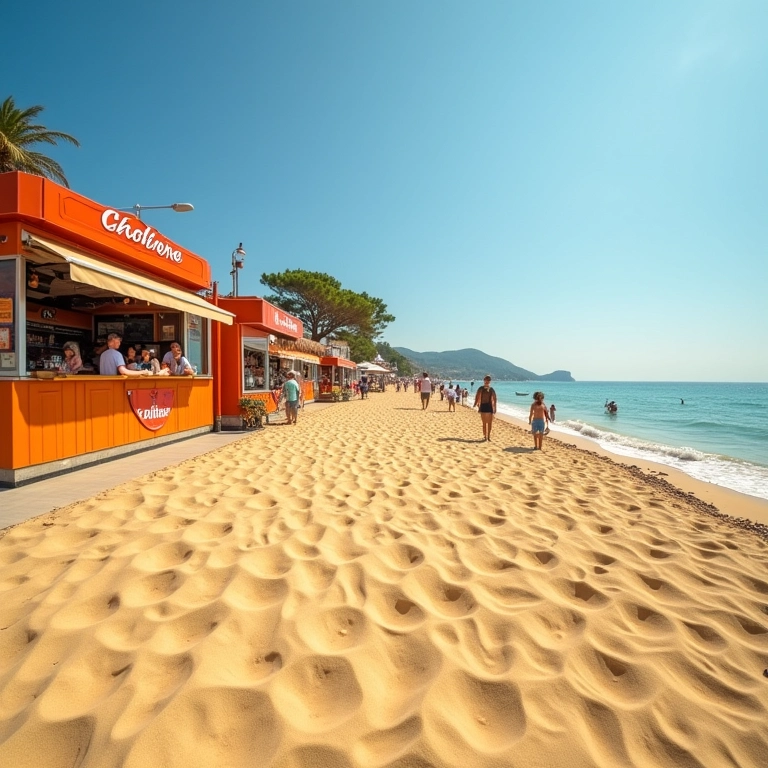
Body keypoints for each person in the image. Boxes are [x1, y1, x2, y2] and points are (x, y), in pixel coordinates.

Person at [473, 375, 497, 441]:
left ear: (490, 381)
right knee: (484, 423)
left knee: (490, 423)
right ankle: (485, 436)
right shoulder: (481, 388)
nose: (487, 381)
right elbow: (477, 396)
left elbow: (495, 398)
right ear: (484, 380)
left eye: (488, 380)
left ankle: (488, 436)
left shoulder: (491, 389)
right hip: (483, 406)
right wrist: (475, 403)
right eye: (486, 380)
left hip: (489, 407)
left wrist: (495, 407)